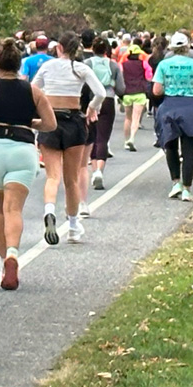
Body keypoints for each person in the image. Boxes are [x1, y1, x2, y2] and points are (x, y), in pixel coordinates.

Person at [0, 38, 57, 290]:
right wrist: (32, 123)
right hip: (22, 149)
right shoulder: (33, 91)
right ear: (19, 65)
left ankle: (2, 262)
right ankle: (13, 254)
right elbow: (51, 124)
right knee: (14, 209)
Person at [32, 33, 106, 246]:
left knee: (52, 176)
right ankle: (73, 226)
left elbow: (33, 90)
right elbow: (100, 92)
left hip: (51, 120)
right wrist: (91, 108)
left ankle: (49, 210)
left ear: (59, 48)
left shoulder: (47, 67)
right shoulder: (81, 68)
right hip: (74, 121)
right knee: (71, 178)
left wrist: (42, 107)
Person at [153, 32, 193, 202]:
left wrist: (170, 86)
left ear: (171, 47)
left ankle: (175, 183)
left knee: (170, 146)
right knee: (189, 150)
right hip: (190, 107)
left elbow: (156, 90)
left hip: (170, 107)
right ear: (187, 47)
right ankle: (187, 189)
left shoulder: (164, 65)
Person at [86, 38, 123, 190]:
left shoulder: (87, 64)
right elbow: (121, 88)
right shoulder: (113, 65)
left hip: (90, 100)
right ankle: (100, 171)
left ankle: (94, 169)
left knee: (91, 136)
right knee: (103, 137)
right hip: (107, 99)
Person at [119, 44, 152, 152]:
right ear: (138, 54)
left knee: (128, 118)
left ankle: (125, 141)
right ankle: (132, 138)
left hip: (127, 93)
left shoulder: (123, 65)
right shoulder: (144, 64)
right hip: (140, 93)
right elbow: (149, 77)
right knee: (136, 118)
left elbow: (120, 77)